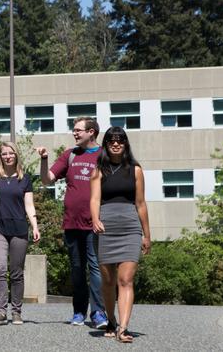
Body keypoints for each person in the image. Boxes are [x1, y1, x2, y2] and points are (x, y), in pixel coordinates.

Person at [36, 116, 108, 329]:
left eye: (79, 130)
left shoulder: (103, 155)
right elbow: (47, 179)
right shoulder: (70, 155)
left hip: (94, 222)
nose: (75, 133)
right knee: (77, 269)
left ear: (92, 132)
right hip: (71, 223)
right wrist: (44, 159)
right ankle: (78, 312)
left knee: (95, 267)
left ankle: (98, 314)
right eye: (74, 130)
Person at [90, 126, 151, 343]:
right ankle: (111, 319)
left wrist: (146, 235)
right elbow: (95, 199)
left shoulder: (135, 170)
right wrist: (95, 219)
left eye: (120, 141)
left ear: (126, 144)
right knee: (108, 282)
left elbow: (141, 204)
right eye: (112, 141)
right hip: (105, 227)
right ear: (105, 144)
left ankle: (123, 328)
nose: (116, 144)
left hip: (129, 227)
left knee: (126, 279)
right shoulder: (98, 170)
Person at [0, 142, 40, 326]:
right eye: (4, 154)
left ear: (16, 156)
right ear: (0, 157)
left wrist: (35, 226)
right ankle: (1, 311)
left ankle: (16, 312)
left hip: (19, 229)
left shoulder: (24, 179)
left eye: (11, 153)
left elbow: (29, 205)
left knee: (16, 273)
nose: (8, 156)